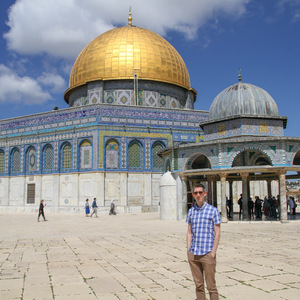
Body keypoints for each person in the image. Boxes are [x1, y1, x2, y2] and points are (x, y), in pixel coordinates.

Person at [186, 183, 221, 300]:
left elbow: (218, 233)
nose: (198, 195)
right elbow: (189, 232)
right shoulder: (191, 211)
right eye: (196, 193)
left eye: (200, 192)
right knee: (198, 285)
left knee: (211, 286)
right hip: (194, 253)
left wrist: (213, 253)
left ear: (205, 193)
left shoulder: (213, 211)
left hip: (207, 253)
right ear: (193, 195)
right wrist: (188, 250)